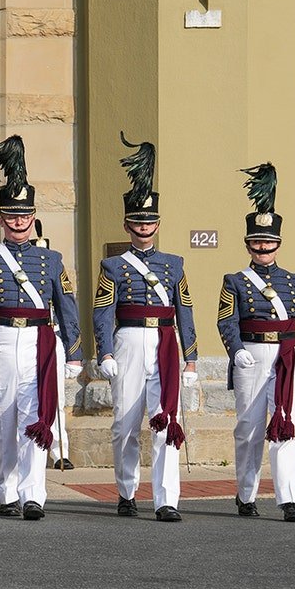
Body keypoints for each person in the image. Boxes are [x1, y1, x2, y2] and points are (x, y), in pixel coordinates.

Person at [0, 135, 83, 520]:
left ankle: (33, 493)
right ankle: (6, 491)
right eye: (12, 216)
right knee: (2, 418)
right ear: (1, 219)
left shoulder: (51, 259)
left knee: (36, 415)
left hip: (38, 341)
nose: (18, 222)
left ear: (33, 217)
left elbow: (67, 306)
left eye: (24, 216)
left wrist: (75, 352)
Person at [93, 133, 198, 522]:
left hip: (166, 343)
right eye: (137, 221)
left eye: (150, 220)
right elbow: (102, 310)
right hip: (128, 342)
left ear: (158, 223)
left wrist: (192, 359)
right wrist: (104, 351)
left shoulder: (174, 263)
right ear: (126, 223)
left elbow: (185, 310)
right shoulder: (114, 266)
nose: (144, 227)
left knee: (165, 420)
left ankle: (166, 499)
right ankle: (126, 491)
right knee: (125, 423)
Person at [217, 162, 295, 522]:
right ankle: (245, 494)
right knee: (248, 429)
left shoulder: (294, 280)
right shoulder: (235, 280)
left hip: (286, 358)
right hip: (251, 355)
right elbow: (225, 320)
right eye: (257, 242)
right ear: (248, 243)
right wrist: (237, 352)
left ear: (278, 244)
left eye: (269, 242)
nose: (263, 247)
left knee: (284, 426)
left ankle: (288, 499)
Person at [33, 221, 74, 470]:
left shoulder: (52, 269)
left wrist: (72, 349)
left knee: (56, 397)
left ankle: (59, 451)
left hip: (51, 335)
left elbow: (65, 305)